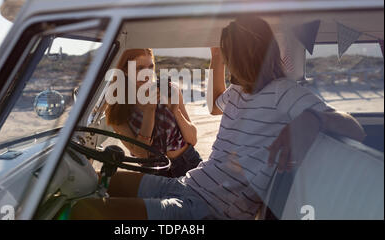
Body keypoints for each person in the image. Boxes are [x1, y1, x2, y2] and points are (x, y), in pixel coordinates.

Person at [70, 16, 365, 220]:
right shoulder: (240, 92)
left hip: (210, 209)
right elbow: (213, 104)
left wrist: (306, 121)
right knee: (95, 180)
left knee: (86, 211)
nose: (229, 60)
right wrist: (216, 59)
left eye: (229, 54)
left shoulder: (283, 92)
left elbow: (353, 127)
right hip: (189, 183)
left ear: (249, 54)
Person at [104, 48, 202, 178]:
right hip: (155, 173)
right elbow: (141, 154)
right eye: (139, 68)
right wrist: (149, 112)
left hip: (188, 162)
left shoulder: (169, 90)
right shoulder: (118, 110)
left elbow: (192, 139)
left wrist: (175, 111)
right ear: (125, 71)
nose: (146, 73)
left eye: (150, 67)